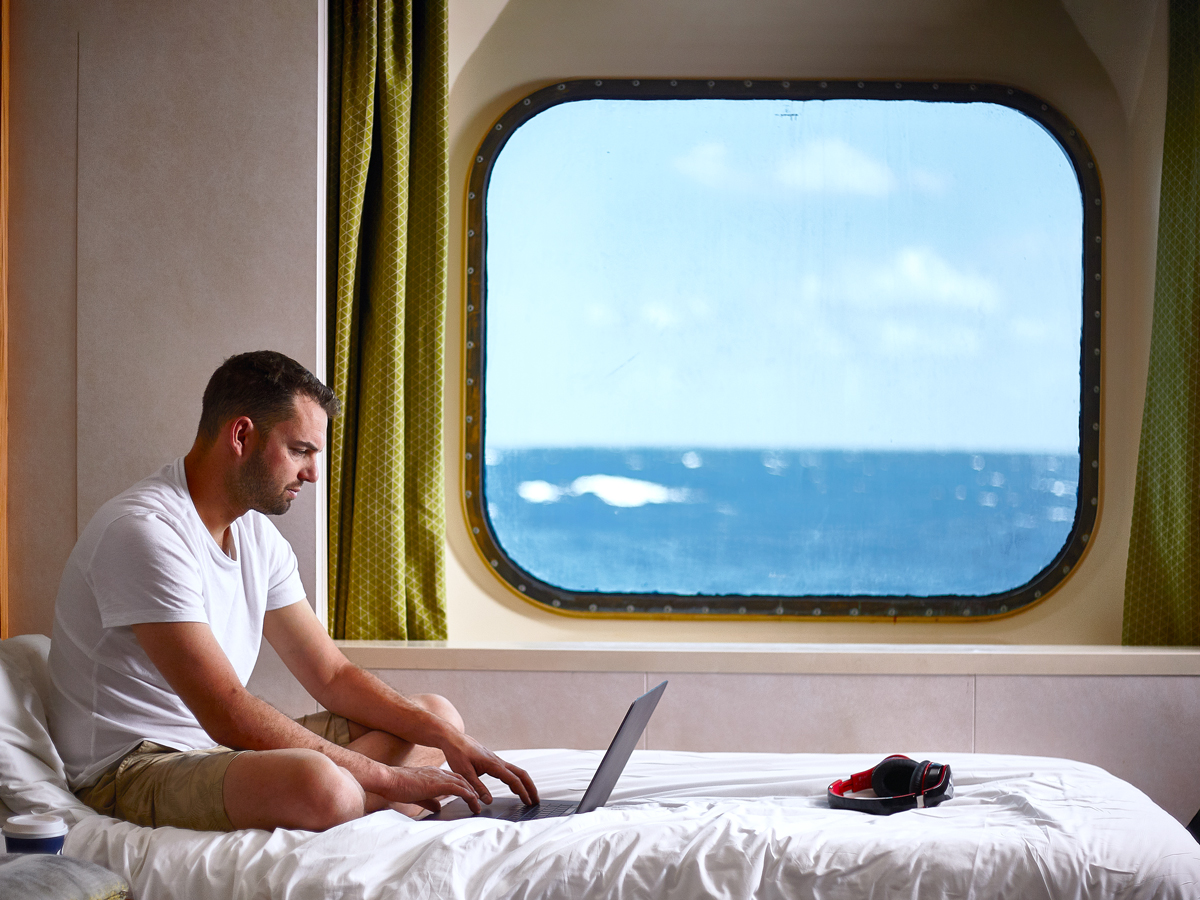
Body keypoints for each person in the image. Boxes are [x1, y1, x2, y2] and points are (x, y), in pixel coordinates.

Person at [46, 350, 537, 832]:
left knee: (434, 716)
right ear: (241, 435)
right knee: (324, 785)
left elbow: (333, 675)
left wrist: (448, 739)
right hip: (131, 770)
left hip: (219, 753)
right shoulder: (144, 531)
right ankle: (350, 798)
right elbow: (227, 713)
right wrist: (391, 776)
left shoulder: (258, 536)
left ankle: (346, 800)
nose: (312, 473)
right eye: (300, 450)